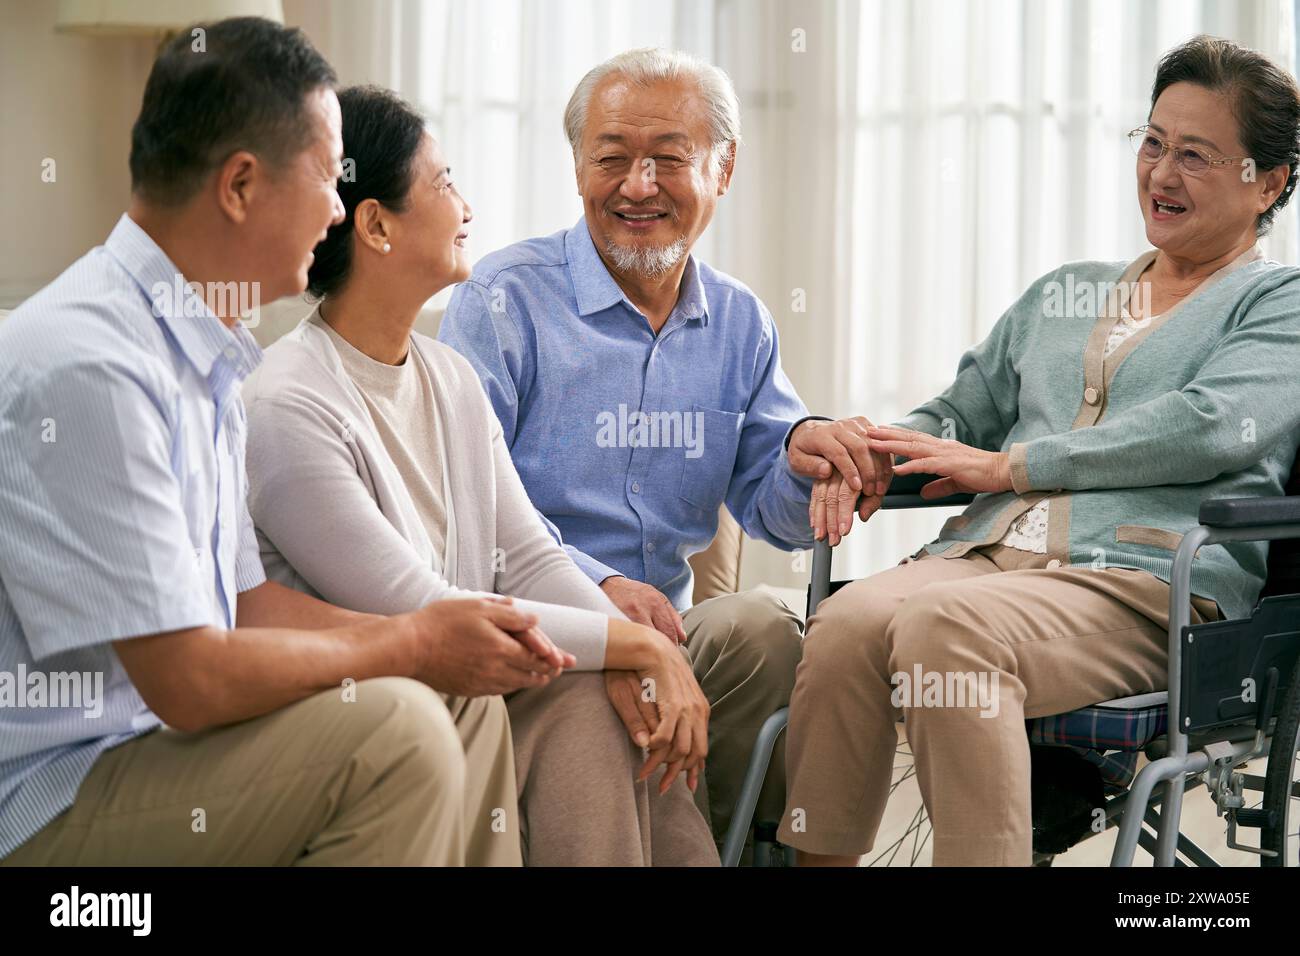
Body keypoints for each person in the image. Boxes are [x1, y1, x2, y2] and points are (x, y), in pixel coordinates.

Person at [0, 18, 553, 867]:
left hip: (149, 749)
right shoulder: (92, 365)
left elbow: (246, 609)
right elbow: (187, 681)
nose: (338, 208)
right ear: (241, 186)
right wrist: (408, 642)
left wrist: (441, 635)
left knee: (452, 698)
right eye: (329, 179)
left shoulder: (207, 352)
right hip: (57, 792)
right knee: (398, 731)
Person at [783, 34, 1300, 866]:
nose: (1161, 174)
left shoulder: (1279, 306)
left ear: (1267, 182)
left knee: (946, 629)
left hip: (1142, 588)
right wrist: (874, 450)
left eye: (1196, 156)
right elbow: (962, 414)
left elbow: (1208, 424)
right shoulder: (1067, 292)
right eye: (1154, 143)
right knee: (844, 627)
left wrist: (1013, 467)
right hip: (984, 562)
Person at [241, 85, 718, 866]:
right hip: (371, 707)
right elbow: (417, 606)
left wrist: (634, 649)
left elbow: (528, 557)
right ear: (376, 225)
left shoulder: (449, 377)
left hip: (469, 682)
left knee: (604, 702)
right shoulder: (287, 403)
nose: (466, 204)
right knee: (596, 695)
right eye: (444, 181)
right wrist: (637, 648)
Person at [437, 47, 887, 851]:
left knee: (760, 629)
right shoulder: (502, 301)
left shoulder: (742, 322)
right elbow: (466, 510)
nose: (638, 185)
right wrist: (598, 586)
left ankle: (729, 843)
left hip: (674, 632)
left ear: (724, 168)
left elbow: (776, 510)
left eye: (668, 160)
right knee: (611, 694)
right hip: (538, 623)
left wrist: (806, 452)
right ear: (578, 167)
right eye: (612, 159)